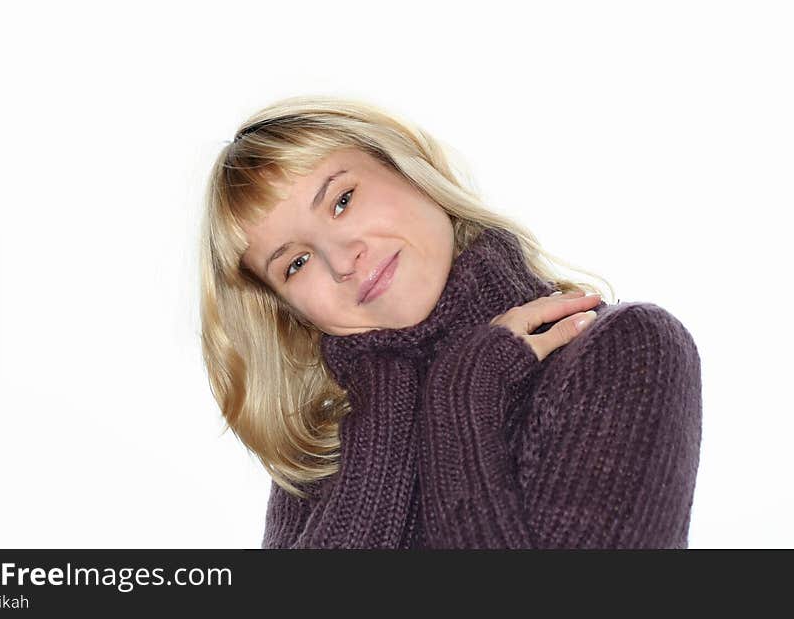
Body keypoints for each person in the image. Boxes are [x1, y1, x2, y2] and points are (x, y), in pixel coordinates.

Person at [199, 95, 703, 548]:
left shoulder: (625, 350)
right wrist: (382, 420)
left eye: (342, 200)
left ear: (410, 169)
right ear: (288, 311)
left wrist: (461, 401)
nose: (342, 259)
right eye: (296, 263)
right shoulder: (323, 460)